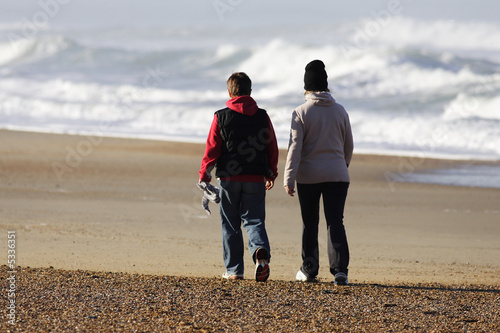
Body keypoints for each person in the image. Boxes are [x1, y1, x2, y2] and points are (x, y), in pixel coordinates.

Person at [199, 72, 279, 282]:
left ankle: (234, 271)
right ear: (250, 92)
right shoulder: (263, 116)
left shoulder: (220, 116)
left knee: (231, 224)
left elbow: (212, 149)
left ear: (229, 92)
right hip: (255, 178)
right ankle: (260, 254)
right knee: (254, 221)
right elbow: (272, 146)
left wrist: (204, 176)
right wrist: (272, 172)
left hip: (228, 179)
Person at [284, 60, 354, 285]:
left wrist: (289, 177)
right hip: (337, 175)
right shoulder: (340, 110)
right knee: (335, 221)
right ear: (326, 85)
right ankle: (340, 270)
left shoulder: (301, 112)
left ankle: (309, 269)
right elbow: (348, 145)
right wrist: (341, 166)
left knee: (310, 221)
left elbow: (295, 148)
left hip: (309, 177)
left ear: (306, 86)